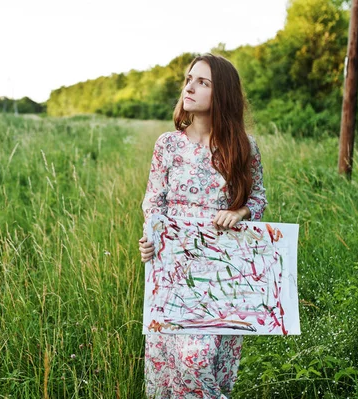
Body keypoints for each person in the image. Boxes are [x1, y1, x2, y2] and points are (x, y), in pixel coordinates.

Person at [138, 53, 268, 398]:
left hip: (219, 272)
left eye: (202, 82)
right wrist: (151, 237)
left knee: (197, 359)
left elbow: (258, 200)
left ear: (221, 93)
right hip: (171, 270)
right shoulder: (168, 144)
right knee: (169, 367)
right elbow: (154, 201)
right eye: (189, 79)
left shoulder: (243, 147)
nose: (189, 87)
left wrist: (240, 212)